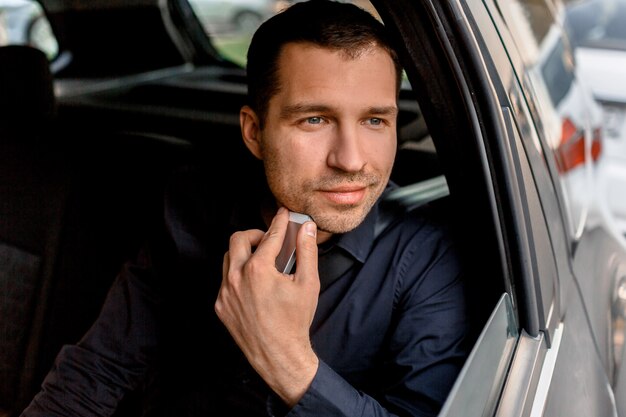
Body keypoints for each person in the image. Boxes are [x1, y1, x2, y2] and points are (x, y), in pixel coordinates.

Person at [21, 1, 470, 416]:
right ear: (254, 131)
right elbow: (98, 371)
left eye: (375, 120)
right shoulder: (196, 205)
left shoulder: (428, 256)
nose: (351, 160)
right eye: (315, 119)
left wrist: (288, 362)